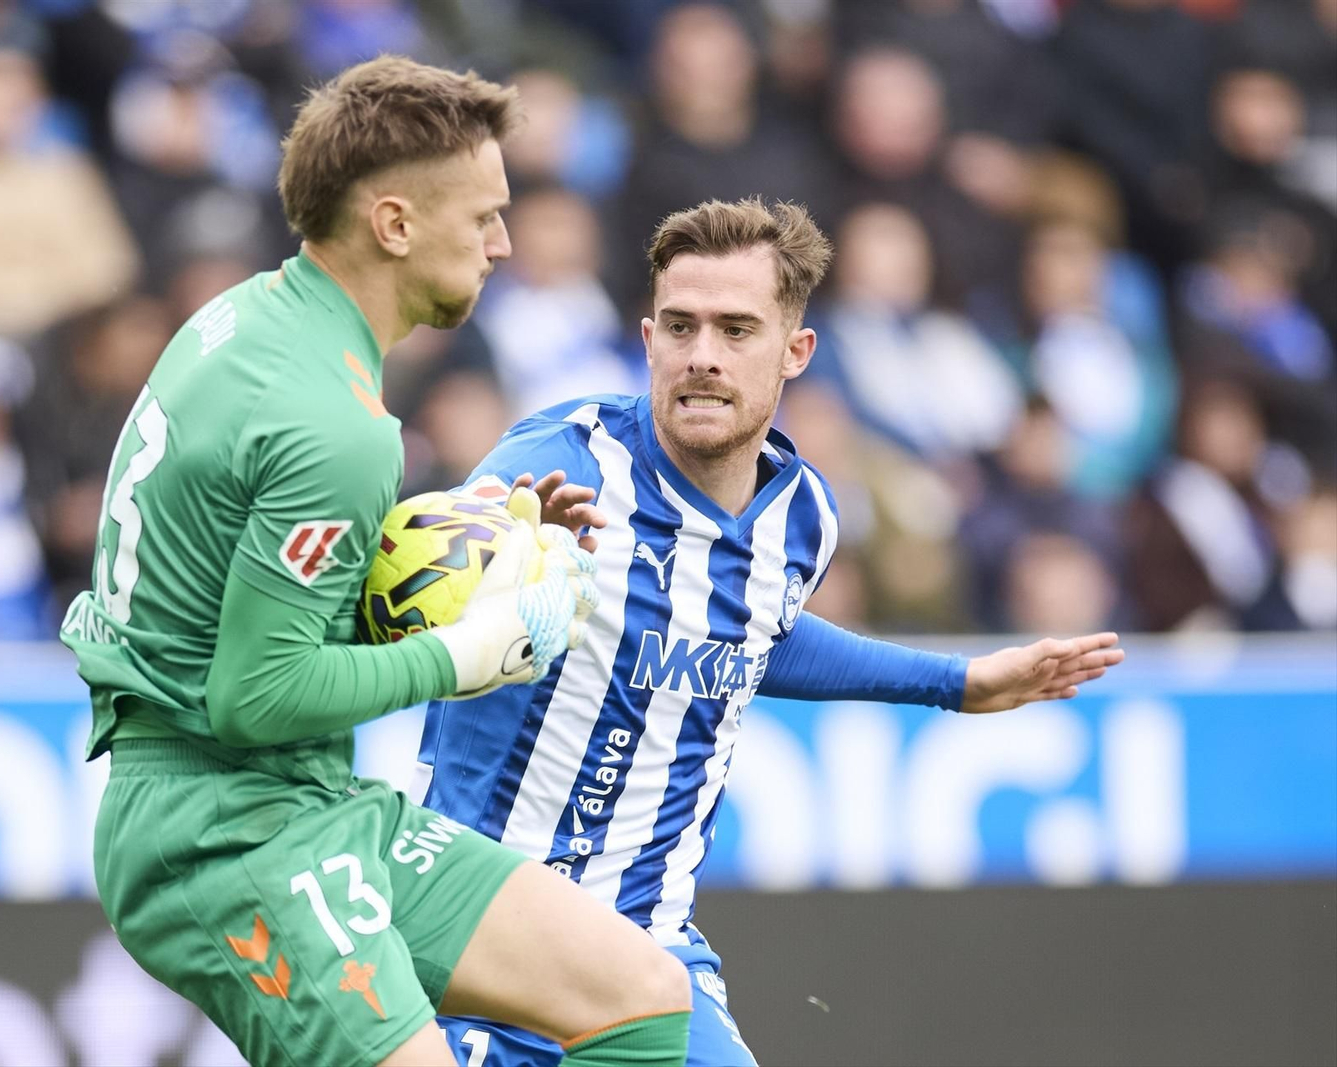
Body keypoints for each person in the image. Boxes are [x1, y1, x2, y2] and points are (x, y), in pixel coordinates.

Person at [58, 57, 695, 1067]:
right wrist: (469, 647)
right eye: (482, 215)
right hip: (223, 833)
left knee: (639, 994)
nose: (504, 241)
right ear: (393, 225)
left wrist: (457, 545)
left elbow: (249, 571)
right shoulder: (338, 427)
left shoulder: (247, 321)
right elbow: (255, 692)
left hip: (294, 800)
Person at [420, 198, 1125, 1066]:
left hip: (649, 944)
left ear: (796, 352)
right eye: (680, 326)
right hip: (487, 937)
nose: (703, 356)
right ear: (647, 341)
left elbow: (759, 637)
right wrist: (497, 563)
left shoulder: (804, 518)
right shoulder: (559, 465)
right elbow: (419, 579)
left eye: (736, 328)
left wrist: (956, 683)